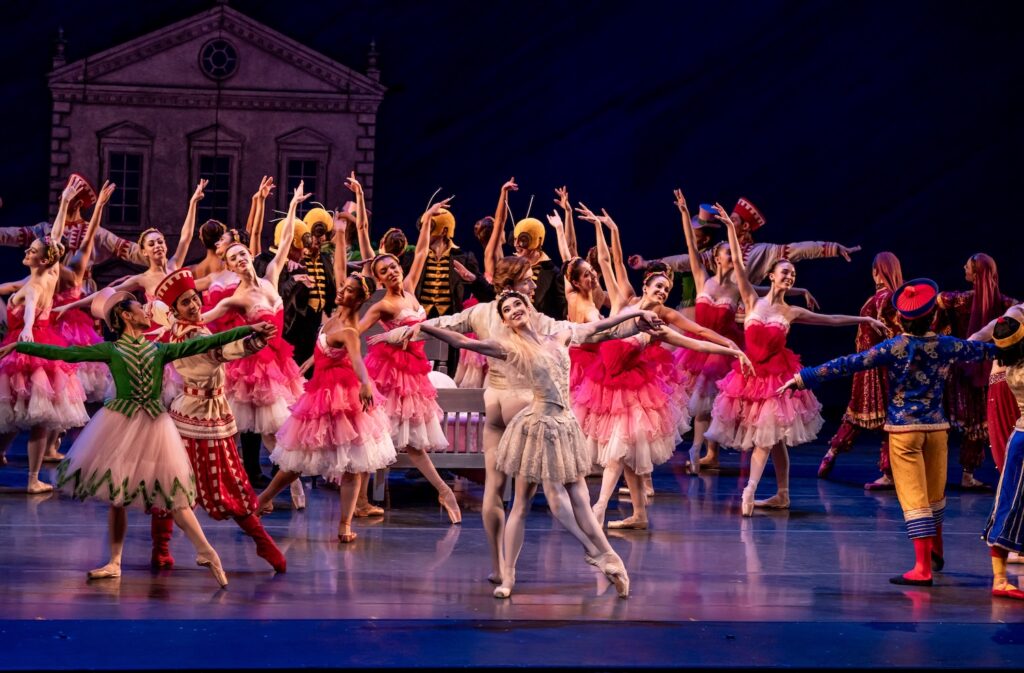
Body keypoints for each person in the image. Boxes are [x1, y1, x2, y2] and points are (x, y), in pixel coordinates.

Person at [369, 255, 651, 584]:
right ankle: (597, 551)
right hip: (525, 407)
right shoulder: (531, 319)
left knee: (497, 492)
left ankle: (501, 569)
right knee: (553, 492)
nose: (534, 285)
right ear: (512, 286)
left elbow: (447, 327)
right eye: (528, 280)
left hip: (495, 404)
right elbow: (592, 334)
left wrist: (410, 330)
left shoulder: (484, 313)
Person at [0, 288, 267, 586]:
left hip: (155, 427)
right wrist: (19, 347)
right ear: (127, 316)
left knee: (173, 494)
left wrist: (248, 330)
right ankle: (114, 562)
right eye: (140, 307)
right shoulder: (111, 350)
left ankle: (207, 553)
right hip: (121, 426)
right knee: (117, 497)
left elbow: (209, 342)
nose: (146, 311)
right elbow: (66, 353)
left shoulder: (160, 349)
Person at [415, 291, 660, 598]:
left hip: (565, 427)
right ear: (504, 320)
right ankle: (510, 577)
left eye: (518, 304)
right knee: (521, 504)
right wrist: (423, 327)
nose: (515, 309)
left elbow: (601, 327)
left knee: (580, 501)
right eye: (507, 309)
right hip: (536, 427)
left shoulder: (559, 335)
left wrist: (636, 315)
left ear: (529, 307)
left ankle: (607, 558)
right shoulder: (509, 347)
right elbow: (462, 341)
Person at [780, 278, 996, 586]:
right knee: (935, 495)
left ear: (899, 318)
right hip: (937, 430)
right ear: (932, 316)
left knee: (914, 498)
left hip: (904, 431)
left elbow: (848, 363)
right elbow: (984, 350)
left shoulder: (894, 346)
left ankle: (922, 568)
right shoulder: (947, 344)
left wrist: (804, 378)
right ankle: (936, 549)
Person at [706, 204, 885, 515]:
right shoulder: (750, 298)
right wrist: (732, 230)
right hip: (750, 378)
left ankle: (750, 490)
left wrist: (864, 320)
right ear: (773, 276)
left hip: (778, 381)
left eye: (793, 274)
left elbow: (829, 320)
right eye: (785, 272)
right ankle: (783, 494)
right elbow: (737, 260)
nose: (789, 276)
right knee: (774, 440)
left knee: (766, 436)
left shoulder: (791, 312)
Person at [258, 216, 396, 543]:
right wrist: (340, 233)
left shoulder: (349, 329)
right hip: (319, 393)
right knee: (297, 460)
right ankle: (262, 500)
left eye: (348, 290)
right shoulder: (332, 317)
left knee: (351, 464)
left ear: (357, 299)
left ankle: (345, 524)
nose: (341, 289)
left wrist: (365, 384)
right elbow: (337, 273)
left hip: (343, 398)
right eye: (344, 287)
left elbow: (358, 360)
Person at [148, 268, 287, 573]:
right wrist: (253, 339)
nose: (195, 304)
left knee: (179, 482)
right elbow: (221, 352)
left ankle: (162, 548)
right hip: (196, 416)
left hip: (206, 411)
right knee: (219, 480)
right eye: (186, 303)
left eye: (194, 298)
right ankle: (262, 542)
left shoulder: (182, 326)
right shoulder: (192, 335)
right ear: (177, 310)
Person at [202, 183, 310, 509]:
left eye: (243, 253)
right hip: (253, 368)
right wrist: (171, 322)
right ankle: (280, 487)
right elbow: (207, 317)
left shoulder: (271, 277)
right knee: (270, 429)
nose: (241, 258)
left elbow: (287, 240)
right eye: (234, 257)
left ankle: (282, 484)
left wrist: (292, 205)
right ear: (231, 266)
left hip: (279, 363)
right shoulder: (238, 297)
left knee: (281, 427)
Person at [357, 196, 462, 524]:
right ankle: (360, 501)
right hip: (389, 371)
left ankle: (443, 490)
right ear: (379, 279)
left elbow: (419, 253)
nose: (391, 271)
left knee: (413, 442)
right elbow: (356, 331)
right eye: (384, 271)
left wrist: (428, 217)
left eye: (393, 267)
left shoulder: (412, 290)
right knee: (376, 435)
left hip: (412, 372)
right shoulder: (383, 304)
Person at [0, 177, 91, 491]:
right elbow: (54, 238)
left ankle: (33, 479)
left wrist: (25, 327)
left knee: (36, 414)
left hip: (34, 345)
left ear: (44, 258)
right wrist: (64, 202)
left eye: (33, 250)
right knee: (17, 410)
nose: (28, 250)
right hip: (27, 344)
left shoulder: (38, 282)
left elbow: (31, 308)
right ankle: (12, 461)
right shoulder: (46, 271)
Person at [817, 252, 904, 489]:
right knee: (879, 417)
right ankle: (837, 455)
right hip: (875, 366)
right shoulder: (891, 298)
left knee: (864, 414)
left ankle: (833, 453)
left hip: (876, 367)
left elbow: (894, 330)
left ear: (877, 271)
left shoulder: (886, 299)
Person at [631, 196, 861, 285]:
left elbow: (799, 250)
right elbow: (686, 259)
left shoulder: (763, 252)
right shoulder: (721, 250)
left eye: (733, 220)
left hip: (746, 312)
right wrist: (647, 263)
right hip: (718, 309)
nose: (727, 223)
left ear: (746, 226)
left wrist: (832, 248)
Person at [933, 253, 1018, 489]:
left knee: (953, 422)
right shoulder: (1006, 304)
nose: (963, 268)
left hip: (963, 368)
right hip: (987, 371)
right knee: (978, 424)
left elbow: (938, 299)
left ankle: (937, 474)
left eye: (968, 267)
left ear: (977, 273)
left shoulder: (962, 300)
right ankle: (967, 475)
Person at [0, 172, 146, 269]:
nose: (60, 198)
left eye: (67, 196)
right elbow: (12, 234)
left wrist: (157, 258)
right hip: (49, 288)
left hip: (79, 291)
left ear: (78, 204)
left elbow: (130, 250)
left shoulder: (94, 232)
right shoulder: (45, 230)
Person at [981, 316, 1024, 600]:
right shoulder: (1019, 371)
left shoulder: (1009, 367)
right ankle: (999, 580)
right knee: (1010, 504)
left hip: (1019, 438)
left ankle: (1000, 578)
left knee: (1008, 501)